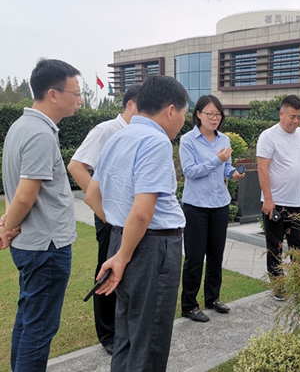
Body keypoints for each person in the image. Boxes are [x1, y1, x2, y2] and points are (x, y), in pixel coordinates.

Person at [84, 75, 188, 371]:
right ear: (170, 110)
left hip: (123, 240)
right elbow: (142, 212)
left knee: (128, 333)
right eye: (183, 113)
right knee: (150, 339)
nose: (182, 122)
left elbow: (92, 196)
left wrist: (121, 233)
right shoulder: (156, 141)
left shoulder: (118, 136)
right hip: (151, 248)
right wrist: (126, 252)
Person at [0, 58, 82, 371]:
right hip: (46, 247)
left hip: (33, 245)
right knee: (40, 327)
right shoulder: (39, 135)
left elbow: (14, 190)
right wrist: (10, 226)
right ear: (53, 94)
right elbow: (24, 195)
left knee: (28, 318)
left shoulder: (21, 127)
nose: (79, 99)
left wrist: (7, 225)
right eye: (75, 93)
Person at [67, 84, 140, 355]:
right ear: (132, 104)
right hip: (111, 217)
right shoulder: (107, 130)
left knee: (129, 269)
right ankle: (107, 334)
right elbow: (76, 165)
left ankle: (124, 327)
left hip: (131, 217)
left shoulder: (138, 133)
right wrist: (102, 210)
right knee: (107, 271)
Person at [179, 95, 245, 323]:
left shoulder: (224, 139)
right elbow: (189, 171)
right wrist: (216, 161)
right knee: (195, 258)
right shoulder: (188, 140)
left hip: (220, 205)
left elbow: (226, 168)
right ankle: (189, 305)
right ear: (198, 114)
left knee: (216, 256)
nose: (214, 118)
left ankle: (213, 298)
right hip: (196, 206)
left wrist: (233, 172)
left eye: (218, 114)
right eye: (210, 114)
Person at [256, 94, 300, 300]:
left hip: (296, 201)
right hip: (275, 202)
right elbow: (262, 169)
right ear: (281, 114)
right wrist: (269, 199)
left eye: (299, 116)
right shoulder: (268, 136)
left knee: (298, 244)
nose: (296, 121)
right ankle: (278, 285)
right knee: (275, 246)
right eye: (292, 116)